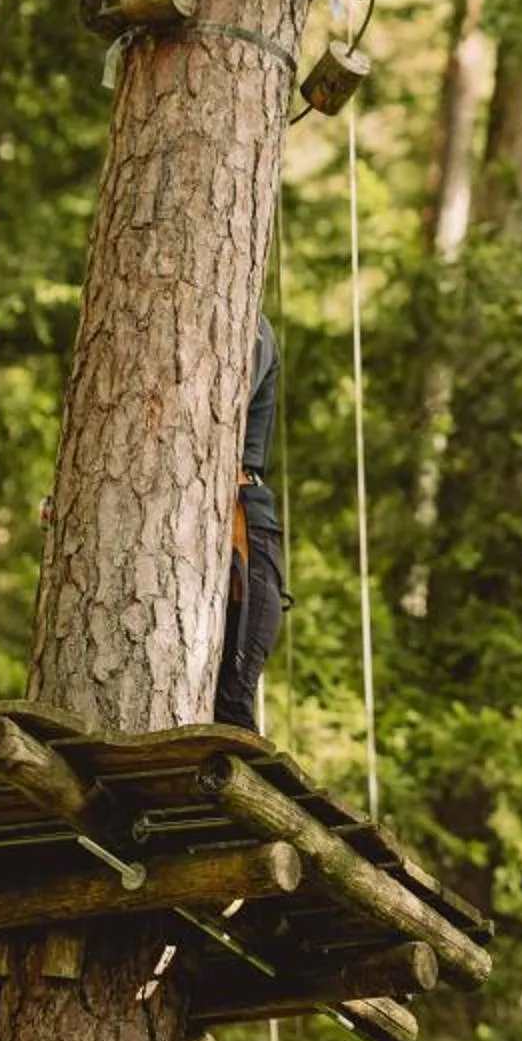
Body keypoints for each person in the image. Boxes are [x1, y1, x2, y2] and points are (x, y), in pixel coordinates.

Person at [213, 311, 287, 730]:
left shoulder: (249, 326)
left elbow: (223, 401)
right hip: (231, 520)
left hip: (243, 517)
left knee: (232, 701)